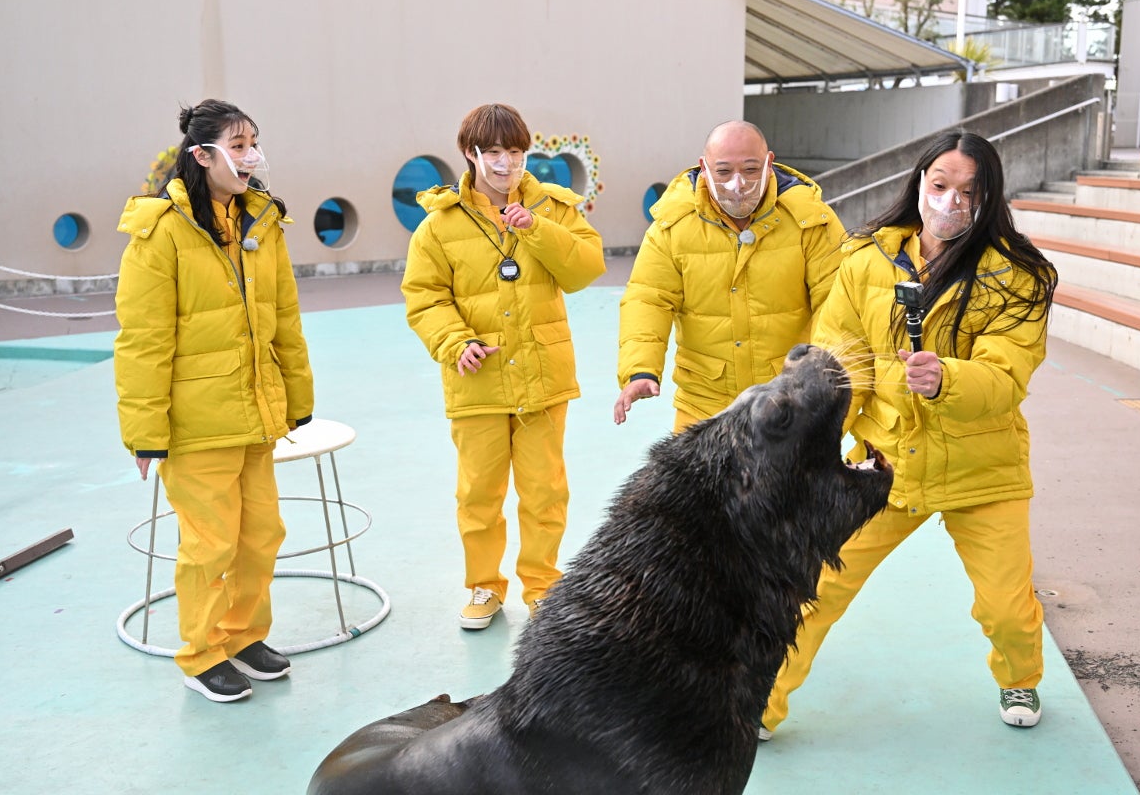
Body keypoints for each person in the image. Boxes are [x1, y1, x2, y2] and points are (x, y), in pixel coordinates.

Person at [761, 128, 1059, 738]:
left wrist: (948, 378)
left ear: (989, 198)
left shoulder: (1018, 275)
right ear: (919, 182)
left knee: (1005, 606)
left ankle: (1020, 677)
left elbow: (1007, 376)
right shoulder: (865, 260)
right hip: (886, 462)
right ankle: (759, 702)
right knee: (816, 587)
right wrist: (809, 438)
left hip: (983, 468)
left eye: (968, 192)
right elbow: (839, 359)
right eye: (940, 185)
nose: (950, 202)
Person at [114, 99, 315, 703]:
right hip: (196, 423)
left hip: (255, 411)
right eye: (238, 145)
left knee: (261, 534)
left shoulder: (262, 222)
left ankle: (243, 635)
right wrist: (145, 433)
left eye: (254, 143)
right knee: (211, 544)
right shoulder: (161, 231)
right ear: (203, 155)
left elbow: (285, 316)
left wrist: (297, 396)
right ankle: (201, 654)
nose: (250, 156)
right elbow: (143, 340)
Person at [402, 103, 605, 630]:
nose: (505, 163)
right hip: (477, 380)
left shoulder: (554, 207)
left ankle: (543, 586)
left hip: (543, 377)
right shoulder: (438, 225)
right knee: (478, 493)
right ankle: (484, 586)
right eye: (492, 151)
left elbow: (586, 268)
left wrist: (537, 229)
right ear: (469, 154)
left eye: (515, 151)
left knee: (545, 491)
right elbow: (424, 297)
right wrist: (454, 342)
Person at [614, 120, 845, 433]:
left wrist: (817, 375)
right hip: (703, 403)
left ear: (769, 163)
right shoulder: (672, 226)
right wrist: (640, 369)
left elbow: (837, 303)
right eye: (723, 172)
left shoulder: (812, 221)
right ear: (704, 167)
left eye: (750, 170)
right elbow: (648, 298)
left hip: (789, 402)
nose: (738, 184)